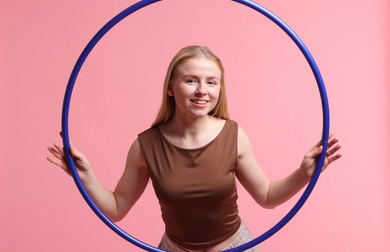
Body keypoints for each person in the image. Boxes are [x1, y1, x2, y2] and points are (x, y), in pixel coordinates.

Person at [47, 45, 342, 252]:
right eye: (191, 80)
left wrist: (305, 173)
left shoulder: (234, 135)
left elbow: (266, 196)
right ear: (171, 88)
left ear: (219, 89)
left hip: (236, 248)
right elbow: (115, 209)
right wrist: (84, 176)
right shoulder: (145, 145)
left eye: (211, 82)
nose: (203, 90)